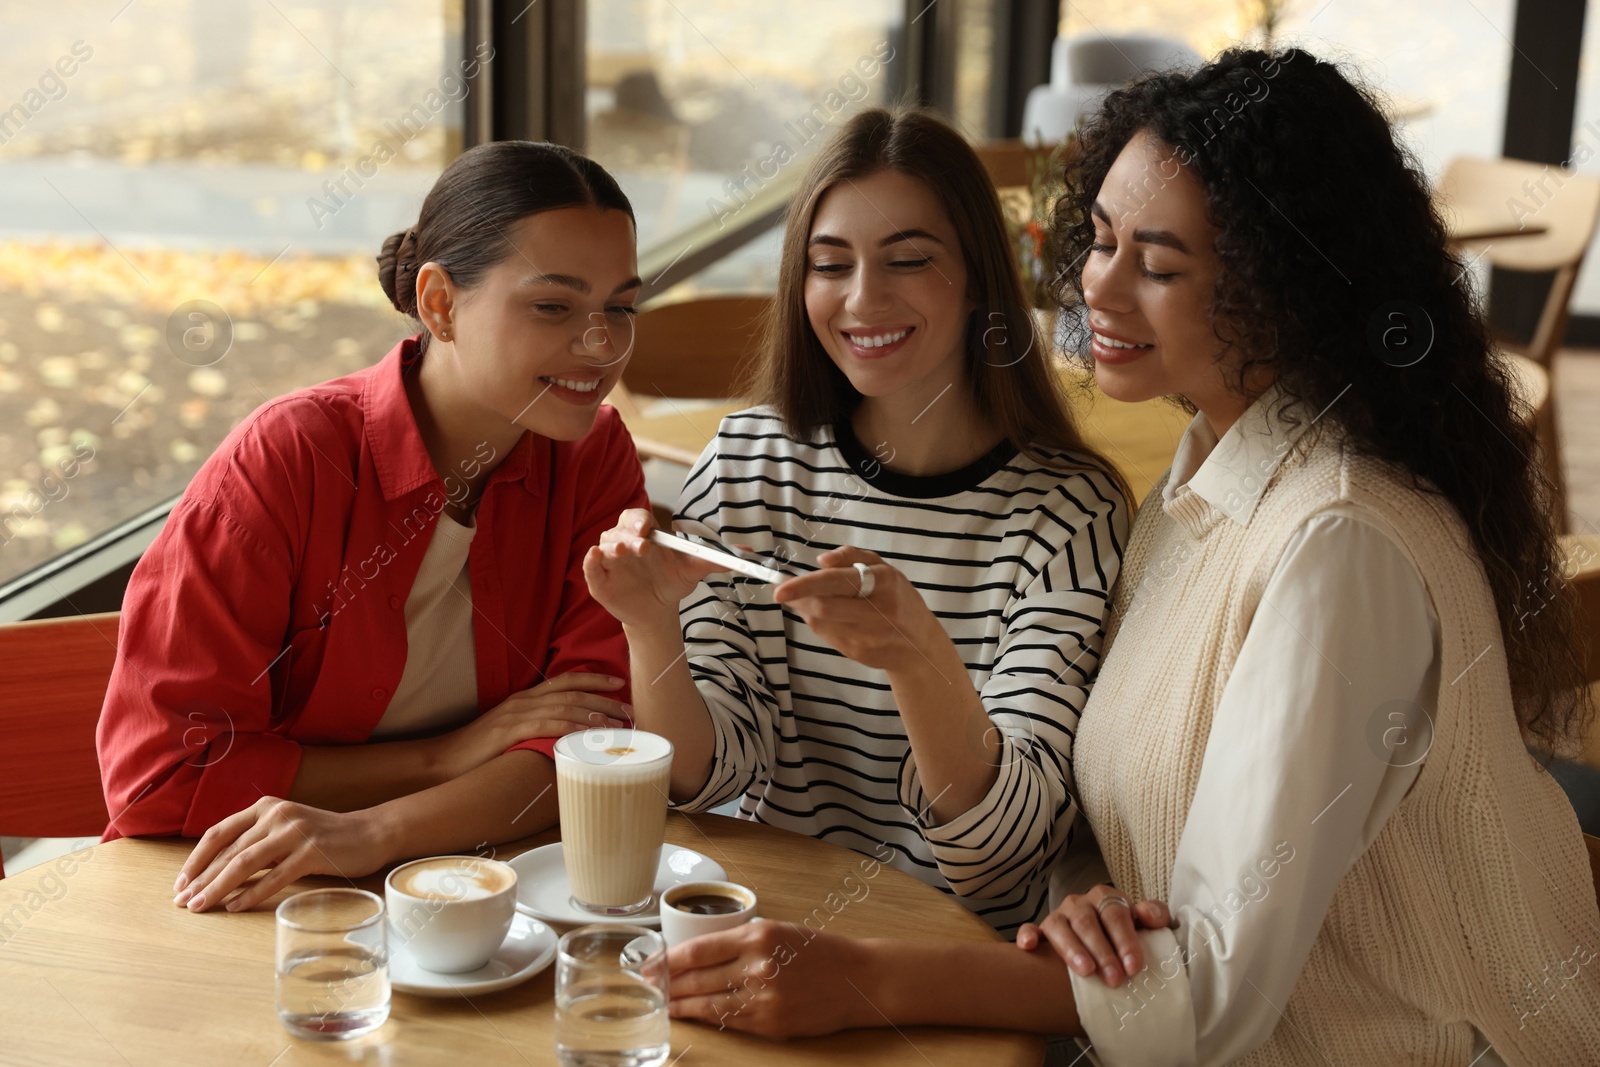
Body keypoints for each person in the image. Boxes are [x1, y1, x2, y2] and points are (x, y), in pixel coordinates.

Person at [661, 49, 1600, 1066]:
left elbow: (1201, 996)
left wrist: (865, 975)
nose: (1092, 287)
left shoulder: (1337, 544)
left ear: (1281, 288)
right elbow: (1112, 801)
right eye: (1099, 241)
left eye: (1155, 265)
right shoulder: (1205, 474)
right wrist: (1085, 897)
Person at [584, 106, 1130, 936]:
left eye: (908, 260)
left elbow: (1008, 852)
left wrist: (919, 662)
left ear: (981, 273)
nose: (862, 298)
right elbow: (704, 772)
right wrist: (652, 627)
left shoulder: (1068, 515)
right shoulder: (747, 461)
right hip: (758, 928)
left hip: (949, 970)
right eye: (829, 264)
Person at [95, 141, 648, 914]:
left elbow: (591, 745)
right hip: (238, 894)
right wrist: (445, 758)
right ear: (441, 303)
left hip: (480, 895)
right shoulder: (288, 459)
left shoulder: (593, 456)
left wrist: (375, 831)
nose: (601, 346)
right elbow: (161, 774)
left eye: (619, 307)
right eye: (554, 306)